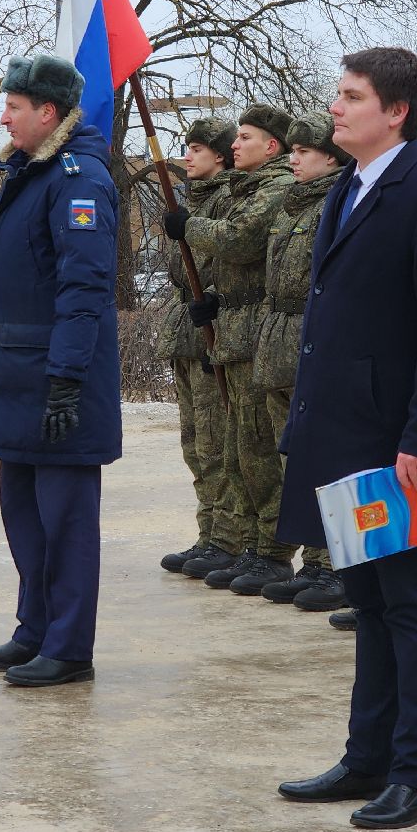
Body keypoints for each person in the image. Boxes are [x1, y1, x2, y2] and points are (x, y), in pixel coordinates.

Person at [274, 48, 417, 830]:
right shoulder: (348, 187)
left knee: (410, 608)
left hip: (399, 446)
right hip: (342, 437)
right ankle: (366, 758)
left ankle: (413, 778)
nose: (336, 107)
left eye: (352, 96)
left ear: (396, 111)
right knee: (367, 602)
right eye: (338, 93)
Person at [0, 53, 120, 688]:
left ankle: (69, 647)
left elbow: (84, 285)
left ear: (48, 113)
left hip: (57, 379)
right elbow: (8, 261)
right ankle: (35, 630)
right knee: (24, 513)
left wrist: (68, 377)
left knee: (65, 520)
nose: (3, 117)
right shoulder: (30, 174)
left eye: (14, 107)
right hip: (19, 375)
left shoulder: (78, 179)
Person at [165, 104, 297, 595]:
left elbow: (240, 244)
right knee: (224, 445)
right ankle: (236, 539)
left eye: (245, 137)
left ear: (273, 146)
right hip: (235, 328)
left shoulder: (274, 188)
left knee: (258, 448)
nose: (234, 145)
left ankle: (265, 547)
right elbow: (197, 266)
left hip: (257, 332)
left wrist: (189, 226)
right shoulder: (243, 190)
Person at [253, 111, 348, 613]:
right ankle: (311, 560)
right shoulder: (294, 203)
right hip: (279, 338)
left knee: (320, 458)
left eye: (303, 151)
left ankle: (333, 563)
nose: (293, 158)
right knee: (289, 460)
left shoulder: (336, 202)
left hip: (310, 338)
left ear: (330, 157)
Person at [158, 117, 239, 575]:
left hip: (214, 332)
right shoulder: (187, 201)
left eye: (197, 148)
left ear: (221, 155)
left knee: (215, 444)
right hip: (187, 334)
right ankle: (209, 531)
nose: (187, 156)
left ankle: (226, 538)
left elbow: (220, 264)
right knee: (194, 443)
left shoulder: (227, 201)